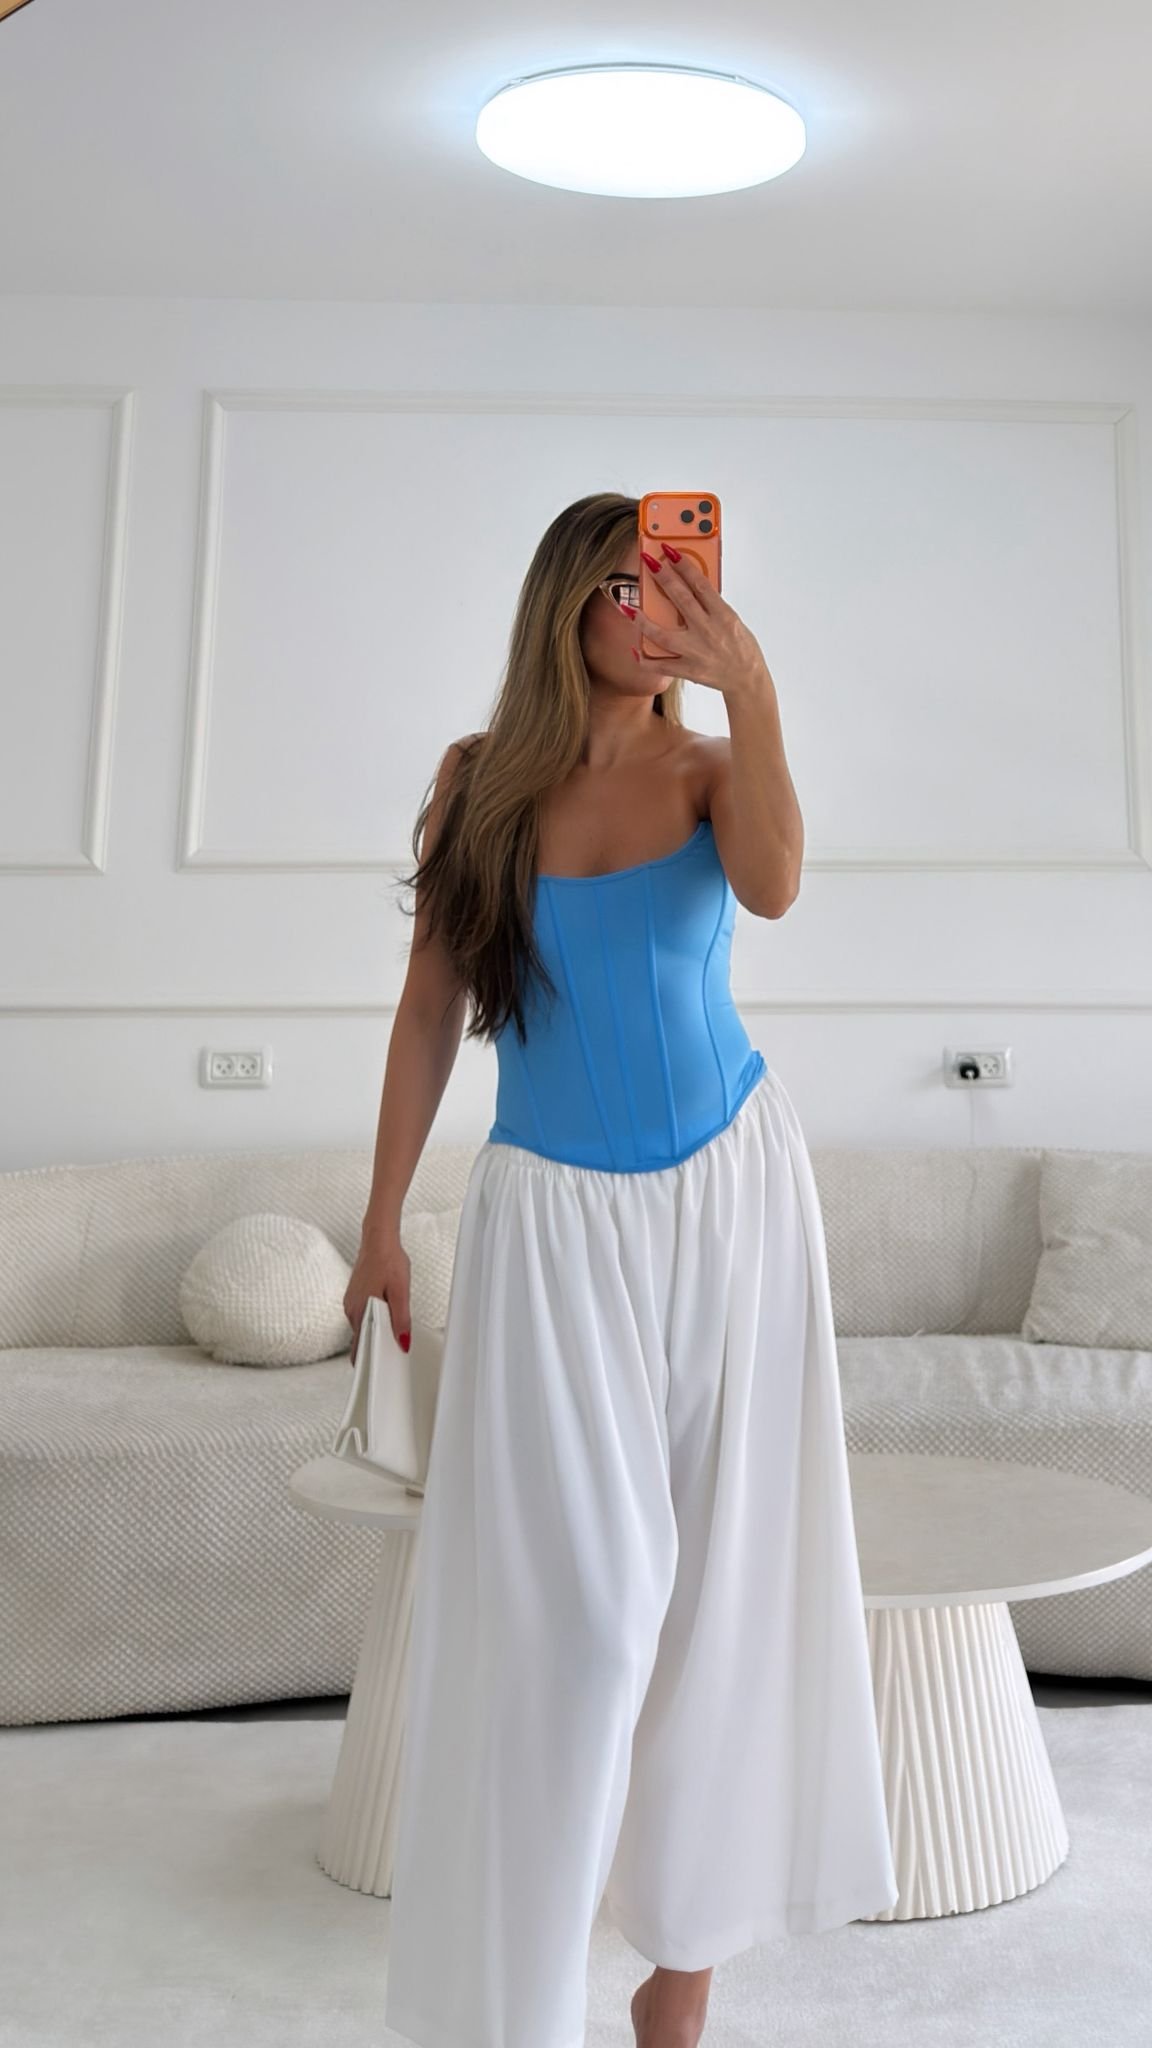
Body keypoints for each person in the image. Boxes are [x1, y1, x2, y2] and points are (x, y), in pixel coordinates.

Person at [343, 492, 898, 2048]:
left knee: (723, 1598)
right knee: (580, 1625)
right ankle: (514, 2006)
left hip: (733, 1197)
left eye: (677, 586)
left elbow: (775, 885)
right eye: (624, 587)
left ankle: (683, 1970)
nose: (653, 615)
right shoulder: (477, 785)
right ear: (564, 606)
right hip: (549, 1222)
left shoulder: (713, 769)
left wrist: (754, 686)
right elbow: (430, 1007)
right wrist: (381, 1219)